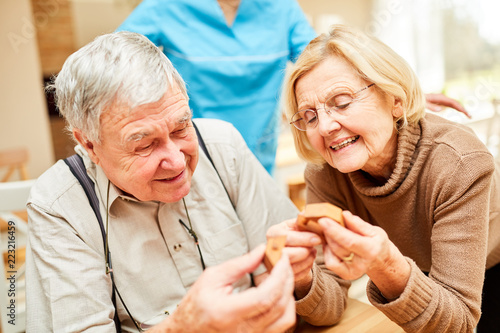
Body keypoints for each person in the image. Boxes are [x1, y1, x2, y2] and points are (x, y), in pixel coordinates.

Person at [26, 31, 302, 332]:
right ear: (90, 145)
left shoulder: (223, 147)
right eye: (144, 145)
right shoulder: (59, 204)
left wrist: (299, 278)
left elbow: (303, 275)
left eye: (182, 127)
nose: (176, 160)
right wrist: (184, 326)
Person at [270, 24, 500, 332]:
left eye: (342, 101)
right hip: (422, 274)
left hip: (489, 268)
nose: (324, 127)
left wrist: (384, 265)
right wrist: (302, 276)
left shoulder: (459, 163)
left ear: (395, 100)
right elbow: (330, 307)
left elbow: (458, 323)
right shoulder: (325, 174)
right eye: (310, 116)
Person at [116, 0, 317, 174]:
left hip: (259, 151)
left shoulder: (281, 7)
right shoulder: (167, 6)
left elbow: (318, 63)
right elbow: (113, 60)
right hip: (189, 153)